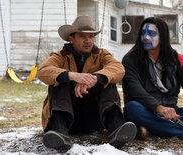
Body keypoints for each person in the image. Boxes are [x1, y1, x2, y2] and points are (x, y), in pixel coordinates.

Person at [38, 16, 137, 150]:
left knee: (107, 79)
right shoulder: (60, 56)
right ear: (71, 39)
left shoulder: (102, 55)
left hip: (95, 119)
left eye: (91, 36)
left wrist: (95, 78)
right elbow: (43, 71)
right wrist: (73, 76)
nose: (88, 41)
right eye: (82, 36)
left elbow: (119, 69)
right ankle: (59, 133)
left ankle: (116, 129)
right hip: (67, 121)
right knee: (60, 79)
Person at [122, 17, 183, 141]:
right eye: (143, 33)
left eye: (151, 34)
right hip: (146, 112)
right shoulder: (130, 59)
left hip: (172, 115)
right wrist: (158, 108)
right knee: (132, 108)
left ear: (162, 37)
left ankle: (153, 131)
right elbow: (135, 91)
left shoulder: (178, 60)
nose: (145, 38)